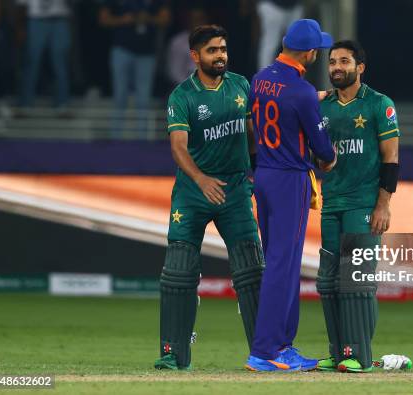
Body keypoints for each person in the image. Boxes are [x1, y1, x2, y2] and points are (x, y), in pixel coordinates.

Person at [154, 25, 265, 371]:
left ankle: (264, 352)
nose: (221, 56)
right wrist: (201, 180)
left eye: (223, 49)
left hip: (234, 190)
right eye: (213, 50)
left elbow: (251, 135)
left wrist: (258, 173)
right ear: (195, 56)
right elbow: (178, 147)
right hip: (192, 192)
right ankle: (174, 353)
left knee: (251, 270)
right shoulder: (182, 96)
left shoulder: (241, 86)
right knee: (178, 272)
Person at [245, 19, 337, 372]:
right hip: (289, 179)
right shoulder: (301, 91)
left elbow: (266, 113)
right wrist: (330, 158)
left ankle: (280, 346)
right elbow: (323, 150)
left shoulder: (260, 78)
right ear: (311, 52)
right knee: (284, 267)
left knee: (278, 263)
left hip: (264, 174)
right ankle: (267, 350)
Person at [316, 40, 400, 373]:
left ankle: (359, 355)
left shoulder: (379, 104)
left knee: (356, 280)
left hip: (364, 205)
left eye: (344, 61)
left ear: (359, 68)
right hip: (331, 204)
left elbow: (391, 159)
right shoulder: (323, 107)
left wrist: (383, 205)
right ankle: (339, 353)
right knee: (328, 282)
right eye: (332, 62)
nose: (336, 67)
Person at [99, 0, 170, 137]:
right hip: (122, 50)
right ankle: (116, 137)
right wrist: (123, 20)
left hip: (146, 53)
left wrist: (148, 18)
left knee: (143, 98)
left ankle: (142, 138)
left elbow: (165, 19)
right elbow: (103, 19)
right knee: (120, 95)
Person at [16, 0, 71, 110]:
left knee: (60, 64)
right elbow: (21, 5)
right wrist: (21, 27)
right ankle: (25, 102)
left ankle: (62, 103)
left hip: (59, 19)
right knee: (31, 62)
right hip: (36, 20)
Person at [256, 0, 303, 69]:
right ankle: (264, 78)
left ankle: (293, 77)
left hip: (294, 7)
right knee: (270, 45)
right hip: (272, 6)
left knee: (296, 46)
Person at [166, 7, 208, 85]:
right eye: (195, 19)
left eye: (201, 19)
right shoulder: (178, 42)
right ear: (189, 21)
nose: (198, 22)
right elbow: (175, 72)